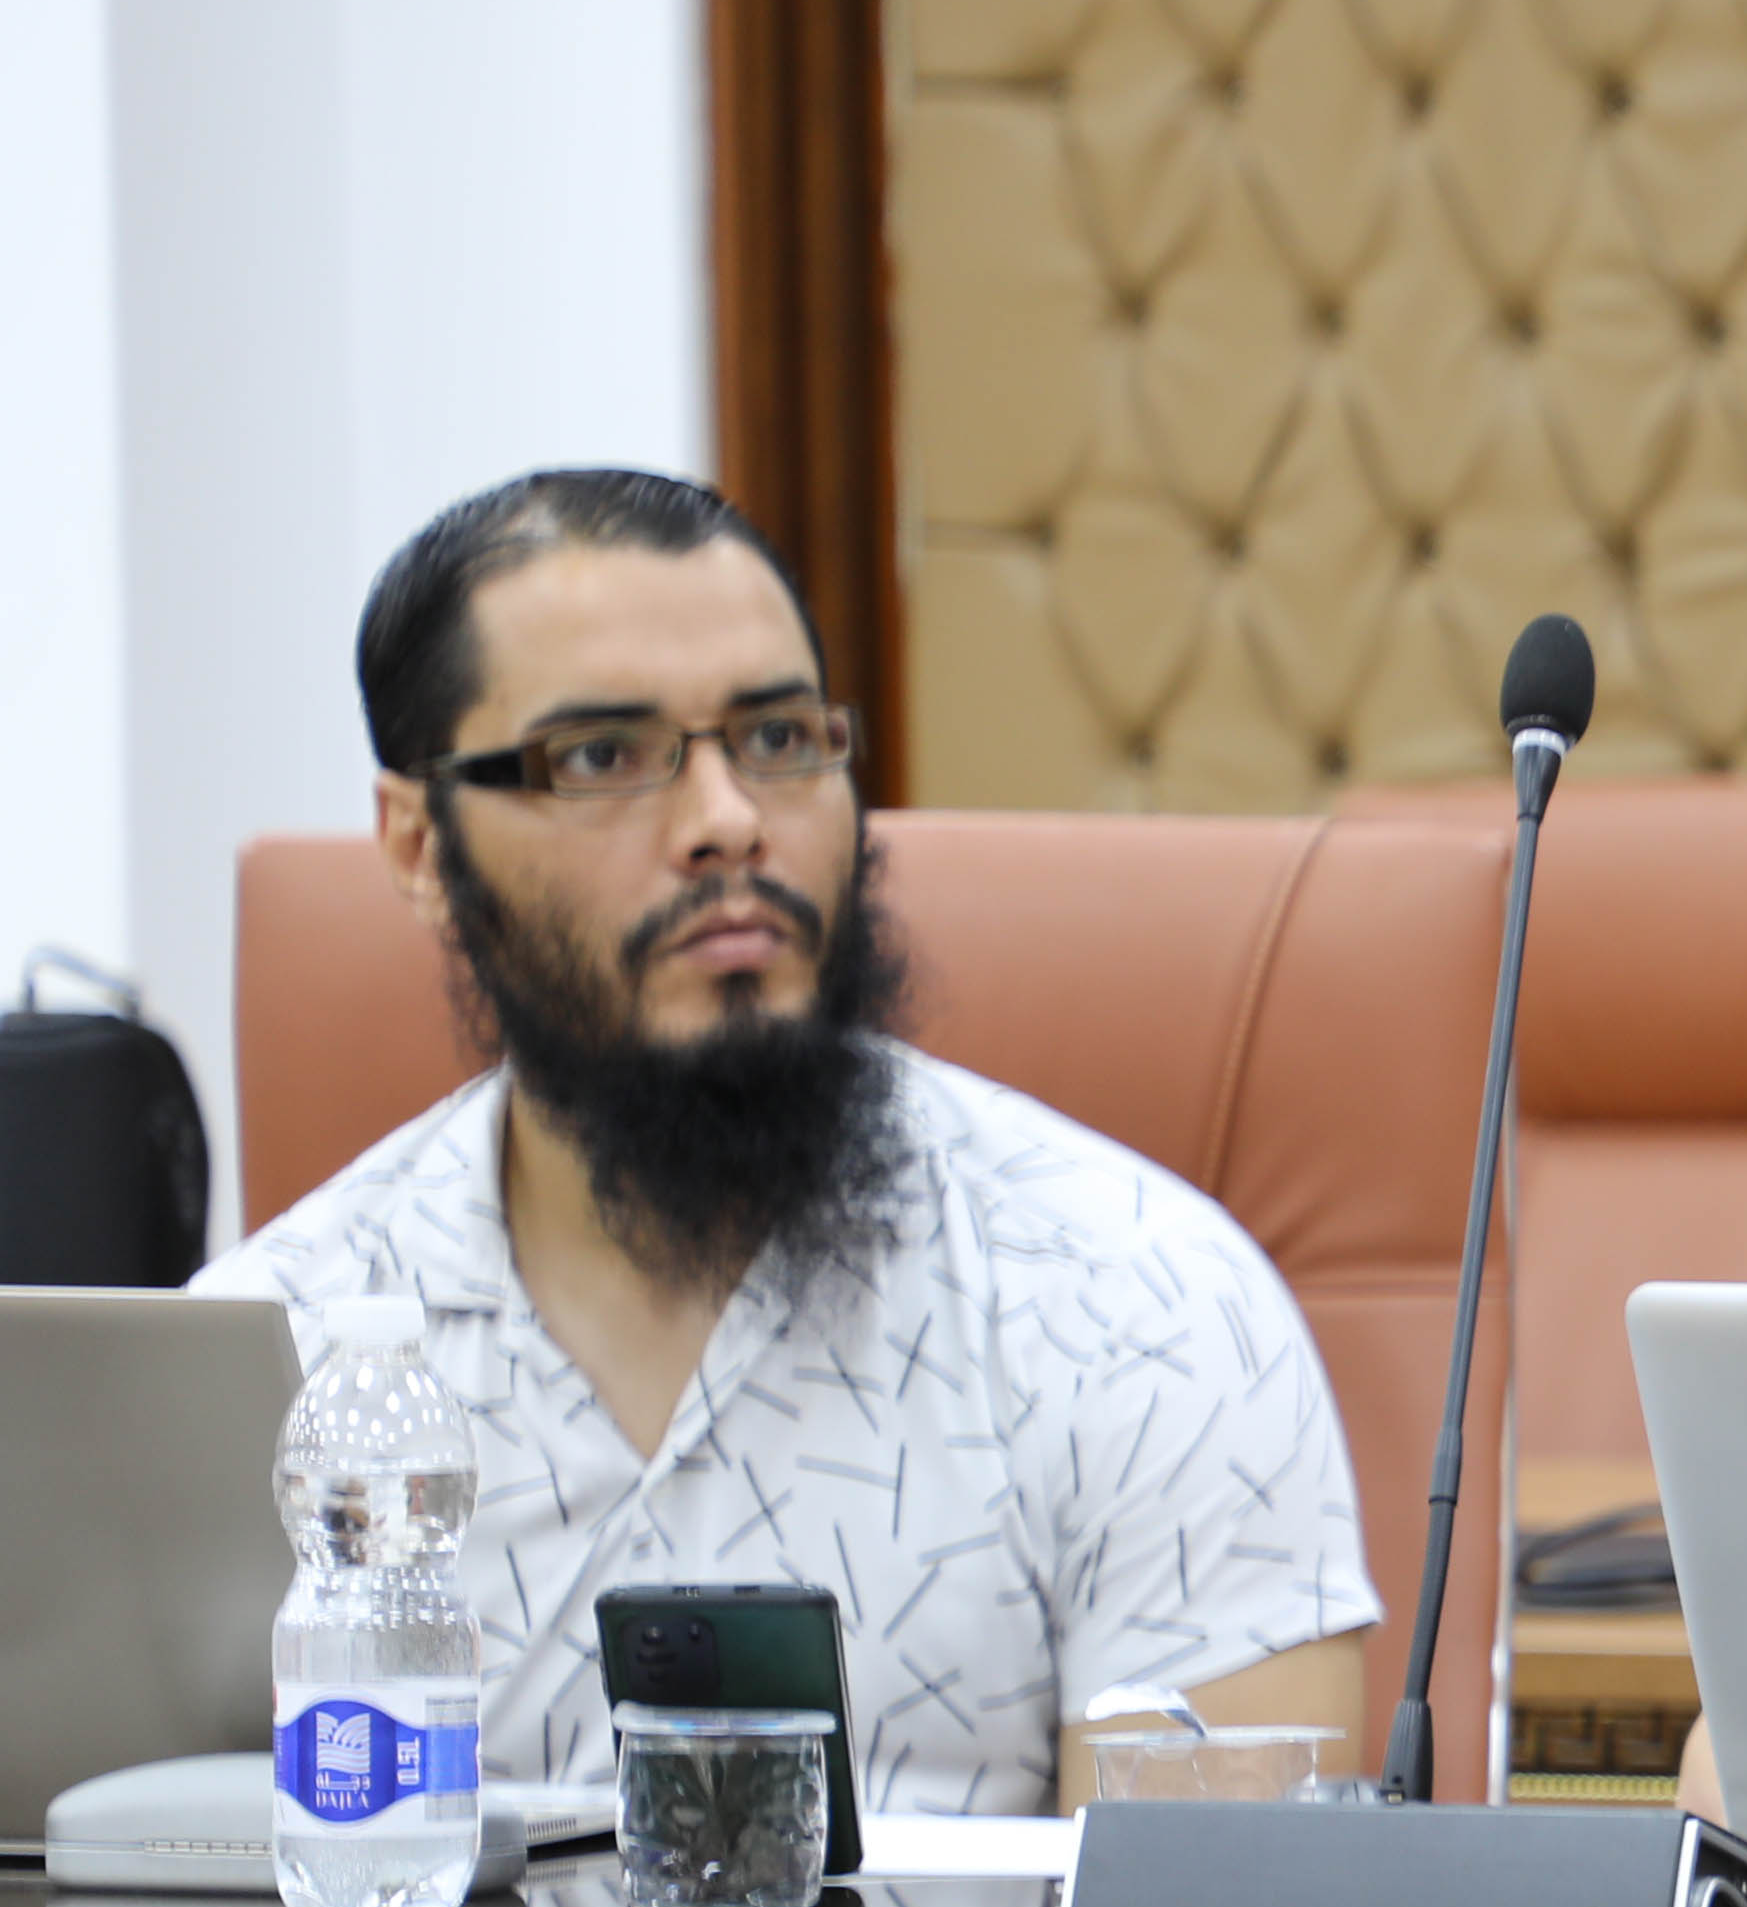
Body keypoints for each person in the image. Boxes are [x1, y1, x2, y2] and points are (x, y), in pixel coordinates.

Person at [203, 472, 1374, 1818]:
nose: (727, 819)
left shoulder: (1147, 1312)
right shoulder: (266, 1363)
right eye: (602, 757)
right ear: (420, 846)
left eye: (776, 739)